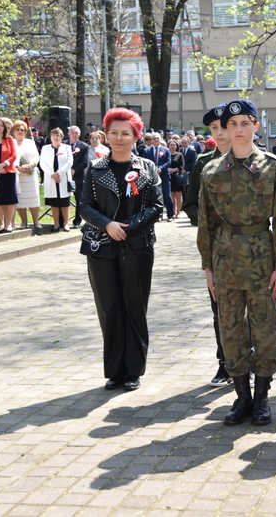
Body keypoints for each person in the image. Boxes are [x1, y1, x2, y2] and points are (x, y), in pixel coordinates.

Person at [196, 99, 276, 426]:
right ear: (225, 129)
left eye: (245, 123)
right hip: (224, 260)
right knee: (231, 330)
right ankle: (242, 397)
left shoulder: (273, 166)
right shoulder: (212, 171)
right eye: (232, 123)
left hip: (262, 259)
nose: (238, 129)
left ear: (256, 126)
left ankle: (263, 397)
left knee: (266, 328)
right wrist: (207, 267)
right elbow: (206, 223)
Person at [79, 108, 164, 392]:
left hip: (137, 245)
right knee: (109, 307)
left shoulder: (147, 168)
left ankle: (134, 369)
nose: (118, 138)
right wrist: (107, 225)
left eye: (125, 133)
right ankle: (115, 371)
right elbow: (84, 206)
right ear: (106, 134)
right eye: (113, 132)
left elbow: (157, 206)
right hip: (101, 246)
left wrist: (128, 227)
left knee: (134, 305)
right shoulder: (95, 168)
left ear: (135, 136)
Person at [183, 103, 234, 386]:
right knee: (220, 306)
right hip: (216, 247)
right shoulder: (203, 164)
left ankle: (248, 360)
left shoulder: (254, 160)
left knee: (252, 307)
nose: (220, 133)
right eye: (214, 128)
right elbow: (190, 204)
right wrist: (205, 220)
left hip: (250, 246)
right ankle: (224, 362)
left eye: (224, 126)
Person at [0, 117, 19, 233]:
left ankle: (8, 223)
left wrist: (3, 165)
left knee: (9, 199)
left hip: (8, 172)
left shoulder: (10, 139)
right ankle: (1, 223)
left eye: (1, 125)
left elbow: (14, 155)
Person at [39, 127, 72, 232]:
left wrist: (59, 173)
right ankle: (56, 224)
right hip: (51, 179)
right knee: (54, 203)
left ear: (61, 137)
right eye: (54, 135)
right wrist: (52, 175)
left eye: (58, 135)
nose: (56, 137)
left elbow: (69, 162)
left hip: (63, 178)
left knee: (64, 203)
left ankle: (66, 224)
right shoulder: (45, 148)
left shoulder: (66, 148)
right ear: (50, 137)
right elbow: (42, 163)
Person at [12, 121, 42, 229]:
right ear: (13, 131)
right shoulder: (11, 142)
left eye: (22, 130)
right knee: (21, 200)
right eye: (18, 129)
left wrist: (30, 165)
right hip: (18, 175)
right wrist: (19, 168)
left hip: (30, 174)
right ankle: (23, 222)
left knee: (33, 198)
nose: (20, 131)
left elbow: (36, 156)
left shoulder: (30, 142)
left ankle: (36, 221)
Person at [141, 131, 173, 221]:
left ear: (160, 139)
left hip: (164, 175)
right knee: (154, 196)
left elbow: (168, 161)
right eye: (153, 138)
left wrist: (160, 168)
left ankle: (170, 214)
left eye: (157, 138)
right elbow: (145, 162)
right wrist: (153, 169)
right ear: (151, 140)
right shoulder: (146, 150)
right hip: (151, 176)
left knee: (166, 195)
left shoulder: (166, 150)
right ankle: (158, 215)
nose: (155, 140)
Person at [67, 126, 90, 228]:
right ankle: (62, 220)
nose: (74, 135)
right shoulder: (63, 144)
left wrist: (74, 170)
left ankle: (77, 220)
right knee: (63, 199)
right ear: (68, 134)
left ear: (79, 135)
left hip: (78, 177)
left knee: (79, 199)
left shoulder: (84, 146)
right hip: (64, 176)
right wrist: (66, 170)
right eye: (72, 132)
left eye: (76, 133)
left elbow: (84, 162)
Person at [167, 139, 185, 218]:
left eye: (174, 145)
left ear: (177, 146)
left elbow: (182, 166)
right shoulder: (166, 154)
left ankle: (178, 212)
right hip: (168, 176)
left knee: (178, 194)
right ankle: (173, 211)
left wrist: (173, 170)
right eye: (171, 145)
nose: (172, 146)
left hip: (177, 176)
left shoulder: (179, 155)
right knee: (171, 195)